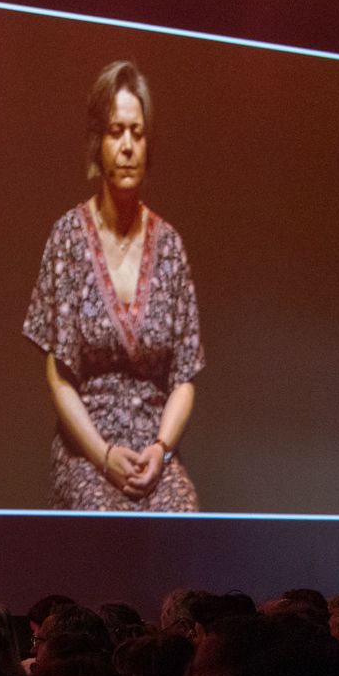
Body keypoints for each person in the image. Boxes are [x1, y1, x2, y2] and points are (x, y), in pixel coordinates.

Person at [23, 62, 202, 511]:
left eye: (137, 134)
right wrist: (103, 455)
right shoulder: (68, 239)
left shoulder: (170, 246)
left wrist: (161, 449)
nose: (126, 147)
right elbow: (59, 377)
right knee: (99, 514)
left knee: (183, 512)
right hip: (87, 449)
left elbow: (184, 378)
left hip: (152, 454)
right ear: (97, 142)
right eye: (115, 132)